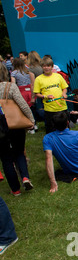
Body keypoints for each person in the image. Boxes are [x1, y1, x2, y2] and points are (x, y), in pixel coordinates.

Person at [0, 63, 35, 195]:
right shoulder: (10, 86)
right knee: (19, 152)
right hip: (15, 125)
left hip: (0, 128)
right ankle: (25, 177)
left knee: (6, 158)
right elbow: (23, 105)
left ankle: (15, 190)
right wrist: (31, 120)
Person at [33, 57, 69, 134]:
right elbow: (37, 93)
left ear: (52, 67)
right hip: (50, 109)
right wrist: (45, 96)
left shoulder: (58, 76)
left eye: (48, 66)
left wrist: (64, 93)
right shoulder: (38, 79)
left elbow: (65, 87)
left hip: (62, 107)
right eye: (44, 66)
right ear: (42, 67)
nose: (46, 68)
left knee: (65, 129)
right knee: (51, 130)